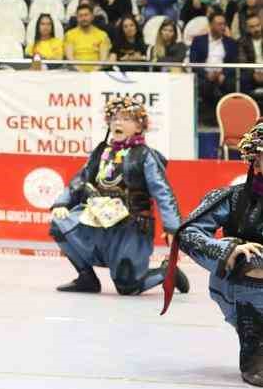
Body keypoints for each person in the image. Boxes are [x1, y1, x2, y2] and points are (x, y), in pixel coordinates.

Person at [49, 97, 187, 297]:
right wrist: (62, 202)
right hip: (97, 220)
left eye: (125, 119)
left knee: (127, 288)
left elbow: (163, 192)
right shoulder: (101, 151)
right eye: (114, 118)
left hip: (131, 227)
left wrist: (172, 227)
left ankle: (168, 272)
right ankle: (86, 278)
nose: (118, 123)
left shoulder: (145, 156)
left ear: (140, 126)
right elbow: (80, 179)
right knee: (58, 224)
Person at [164, 124, 263, 385]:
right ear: (256, 160)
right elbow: (187, 233)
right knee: (252, 258)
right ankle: (254, 349)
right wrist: (228, 249)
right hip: (246, 285)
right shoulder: (232, 198)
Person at [188, 9, 239, 122]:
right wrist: (207, 74)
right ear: (210, 25)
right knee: (205, 85)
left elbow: (234, 62)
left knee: (232, 84)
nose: (223, 27)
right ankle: (209, 119)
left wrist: (223, 74)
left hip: (223, 75)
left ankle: (228, 119)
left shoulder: (231, 42)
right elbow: (193, 62)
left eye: (224, 24)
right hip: (204, 75)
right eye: (219, 24)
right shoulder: (198, 40)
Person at [62, 3, 110, 71]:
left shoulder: (102, 35)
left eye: (86, 15)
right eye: (80, 16)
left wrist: (93, 72)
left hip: (96, 73)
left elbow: (103, 59)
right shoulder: (69, 35)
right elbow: (70, 58)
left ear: (92, 16)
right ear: (77, 18)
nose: (83, 18)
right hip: (76, 73)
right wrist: (81, 72)